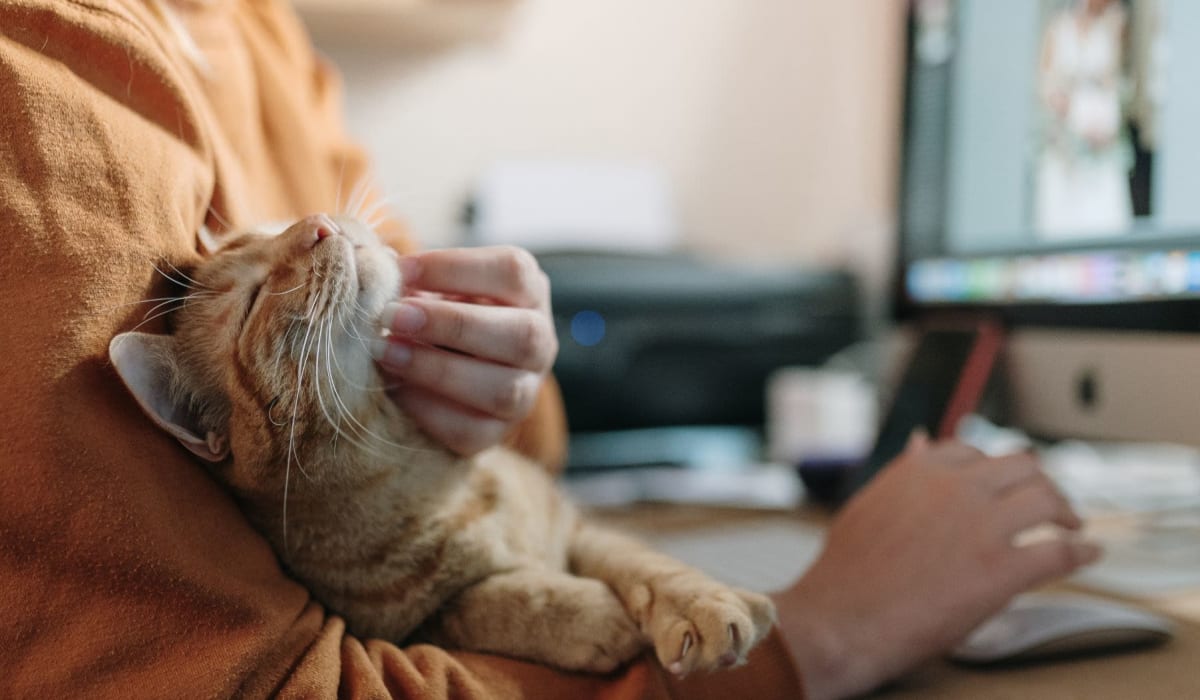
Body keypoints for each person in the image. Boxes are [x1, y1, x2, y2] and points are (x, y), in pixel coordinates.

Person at [0, 1, 1099, 698]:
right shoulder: (33, 87)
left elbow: (506, 455)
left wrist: (494, 375)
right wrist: (818, 639)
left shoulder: (264, 32)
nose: (322, 235)